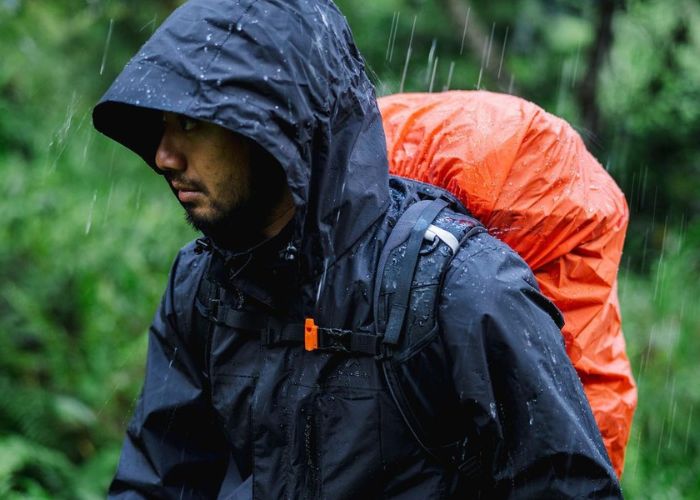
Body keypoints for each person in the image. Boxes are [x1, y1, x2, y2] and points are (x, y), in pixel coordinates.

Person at [93, 0, 622, 497]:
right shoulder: (203, 285)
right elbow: (159, 481)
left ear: (274, 122)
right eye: (163, 125)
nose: (164, 155)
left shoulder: (461, 290)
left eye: (191, 123)